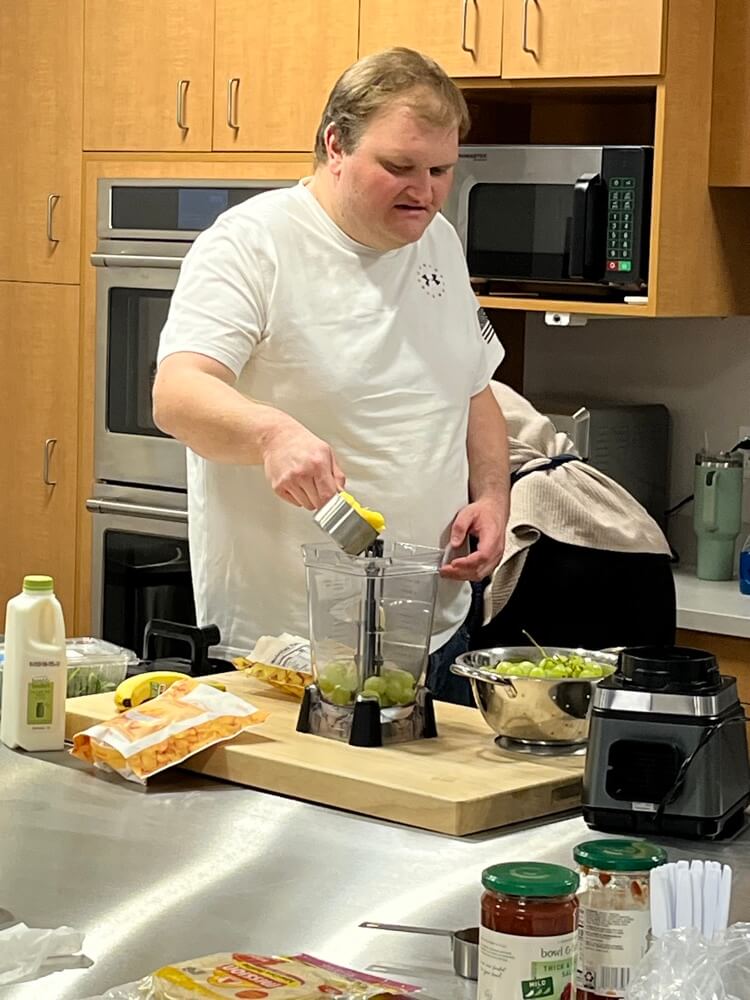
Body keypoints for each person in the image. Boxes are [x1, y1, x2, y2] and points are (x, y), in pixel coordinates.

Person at [152, 47, 510, 701]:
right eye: (399, 166)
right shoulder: (252, 244)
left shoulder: (438, 242)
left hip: (432, 637)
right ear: (335, 144)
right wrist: (269, 433)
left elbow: (473, 385)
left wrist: (492, 495)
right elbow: (177, 393)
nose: (424, 191)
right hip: (283, 652)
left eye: (440, 170)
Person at [451, 381, 676, 705]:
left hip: (544, 552)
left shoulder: (447, 381)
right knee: (633, 724)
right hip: (639, 554)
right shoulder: (471, 373)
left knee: (525, 723)